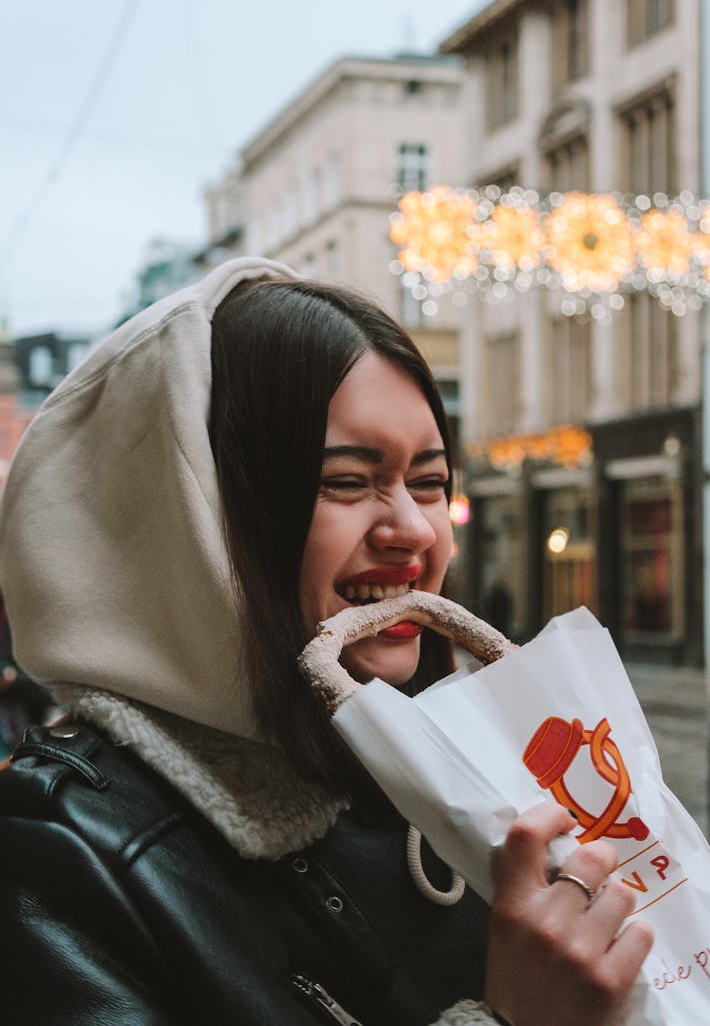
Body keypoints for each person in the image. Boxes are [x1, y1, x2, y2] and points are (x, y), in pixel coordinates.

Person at [0, 257, 653, 1025]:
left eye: (430, 481)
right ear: (199, 517)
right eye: (346, 480)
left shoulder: (489, 766)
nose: (412, 529)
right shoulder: (63, 851)